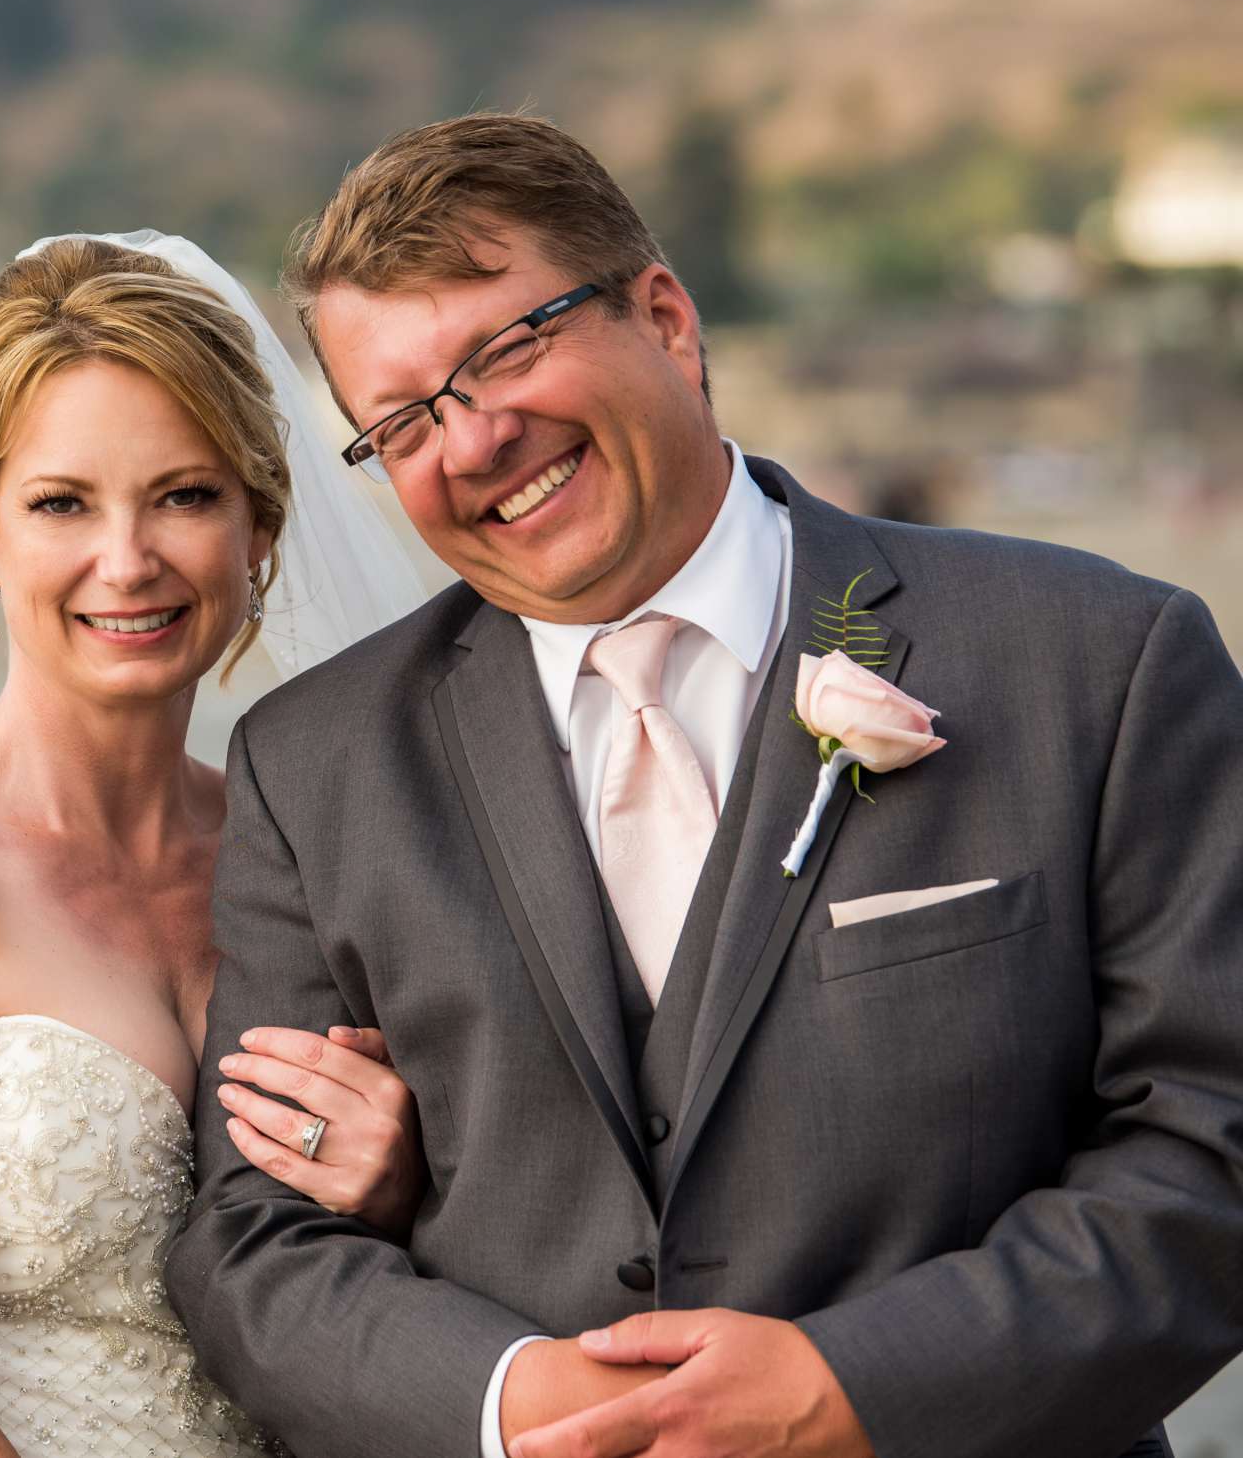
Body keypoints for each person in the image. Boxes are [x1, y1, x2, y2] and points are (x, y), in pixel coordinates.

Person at [166, 113, 1243, 1458]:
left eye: (506, 349)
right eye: (402, 419)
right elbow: (255, 1245)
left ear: (666, 319)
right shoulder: (311, 762)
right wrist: (511, 1401)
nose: (475, 435)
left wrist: (860, 1388)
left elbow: (1210, 1151)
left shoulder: (1096, 660)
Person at [0, 234, 431, 1457]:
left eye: (185, 495)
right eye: (62, 504)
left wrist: (392, 1197)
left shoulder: (313, 857)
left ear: (260, 529)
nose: (128, 561)